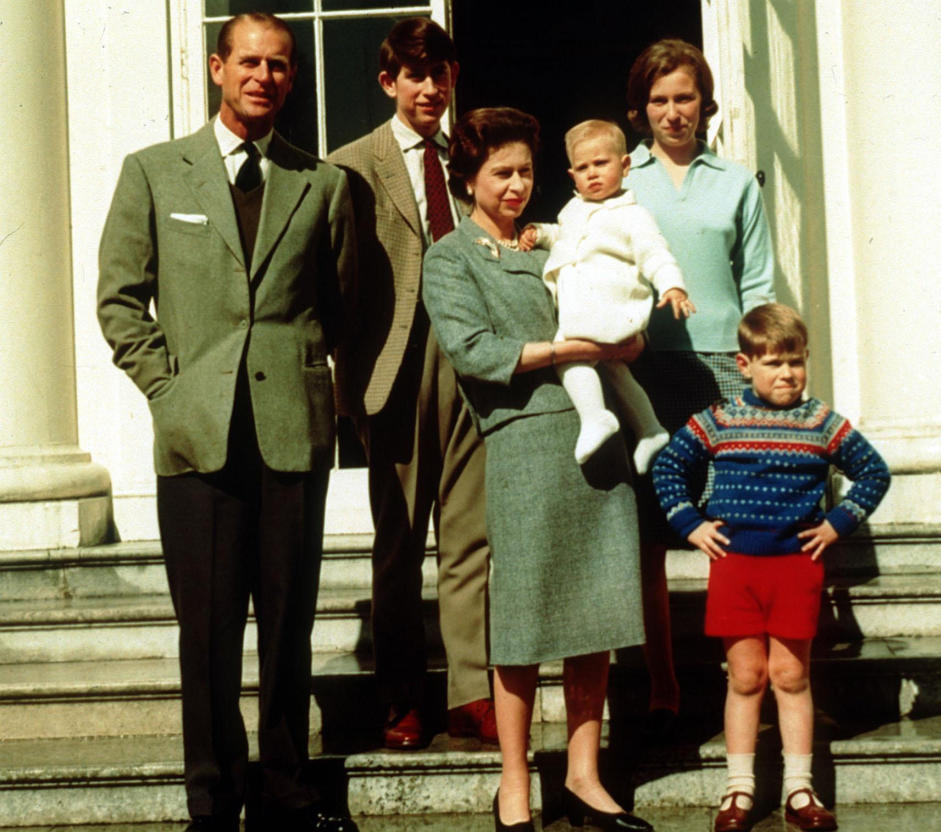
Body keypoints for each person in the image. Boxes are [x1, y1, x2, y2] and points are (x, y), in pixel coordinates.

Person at [97, 14, 357, 832]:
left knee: (288, 623)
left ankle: (285, 788)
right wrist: (168, 390)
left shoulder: (320, 183)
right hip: (198, 438)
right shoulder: (154, 173)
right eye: (249, 61)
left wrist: (320, 384)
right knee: (206, 633)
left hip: (290, 432)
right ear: (218, 67)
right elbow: (118, 299)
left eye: (280, 66)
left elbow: (338, 305)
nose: (265, 77)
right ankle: (212, 797)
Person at [423, 107, 652, 832]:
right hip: (521, 438)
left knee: (597, 612)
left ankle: (584, 777)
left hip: (599, 440)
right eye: (502, 173)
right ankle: (514, 784)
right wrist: (569, 350)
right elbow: (475, 351)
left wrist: (619, 340)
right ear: (468, 179)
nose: (518, 185)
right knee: (519, 625)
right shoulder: (450, 258)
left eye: (526, 171)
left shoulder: (561, 236)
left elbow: (621, 303)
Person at [652, 304, 890, 832]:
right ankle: (738, 790)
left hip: (795, 568)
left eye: (796, 362)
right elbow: (669, 466)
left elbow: (874, 471)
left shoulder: (822, 423)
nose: (787, 374)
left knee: (790, 674)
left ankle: (799, 790)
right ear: (744, 364)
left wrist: (837, 523)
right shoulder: (720, 420)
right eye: (774, 363)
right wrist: (690, 522)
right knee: (745, 677)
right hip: (736, 567)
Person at [327, 17, 495, 750]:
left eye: (441, 74)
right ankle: (402, 700)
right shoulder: (350, 164)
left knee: (471, 539)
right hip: (395, 370)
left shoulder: (475, 158)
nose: (430, 88)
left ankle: (471, 694)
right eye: (415, 76)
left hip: (472, 364)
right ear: (388, 81)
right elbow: (334, 284)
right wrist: (348, 381)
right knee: (398, 543)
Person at [622, 38, 777, 736]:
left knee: (734, 525)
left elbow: (760, 287)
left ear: (704, 102)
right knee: (653, 529)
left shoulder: (736, 182)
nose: (673, 112)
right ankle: (661, 677)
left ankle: (739, 671)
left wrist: (760, 376)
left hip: (723, 369)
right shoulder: (621, 178)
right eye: (659, 100)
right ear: (642, 108)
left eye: (684, 97)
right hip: (647, 368)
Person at [519, 119, 695, 473]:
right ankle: (650, 429)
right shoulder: (573, 210)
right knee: (614, 369)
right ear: (572, 175)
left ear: (625, 166)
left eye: (601, 164)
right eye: (583, 168)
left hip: (610, 305)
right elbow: (566, 237)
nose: (593, 174)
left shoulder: (633, 216)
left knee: (567, 354)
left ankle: (595, 416)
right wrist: (540, 233)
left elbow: (655, 253)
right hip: (592, 308)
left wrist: (672, 284)